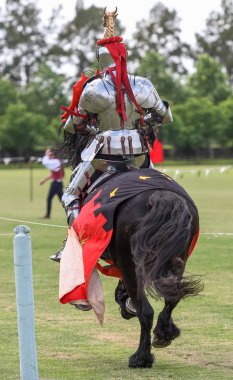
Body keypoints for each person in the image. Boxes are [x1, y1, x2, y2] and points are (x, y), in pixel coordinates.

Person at [51, 8, 173, 314]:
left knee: (70, 195)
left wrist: (92, 126)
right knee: (164, 190)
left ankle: (75, 256)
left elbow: (72, 127)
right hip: (139, 156)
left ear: (100, 60)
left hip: (103, 156)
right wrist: (143, 119)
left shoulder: (94, 89)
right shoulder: (143, 85)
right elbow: (165, 117)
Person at [39, 148, 64, 219]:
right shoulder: (56, 162)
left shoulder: (55, 162)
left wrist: (47, 155)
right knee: (61, 200)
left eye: (48, 152)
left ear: (52, 154)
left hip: (56, 184)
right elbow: (53, 175)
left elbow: (45, 162)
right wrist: (44, 180)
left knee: (50, 199)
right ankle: (48, 214)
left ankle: (47, 215)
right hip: (57, 183)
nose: (47, 154)